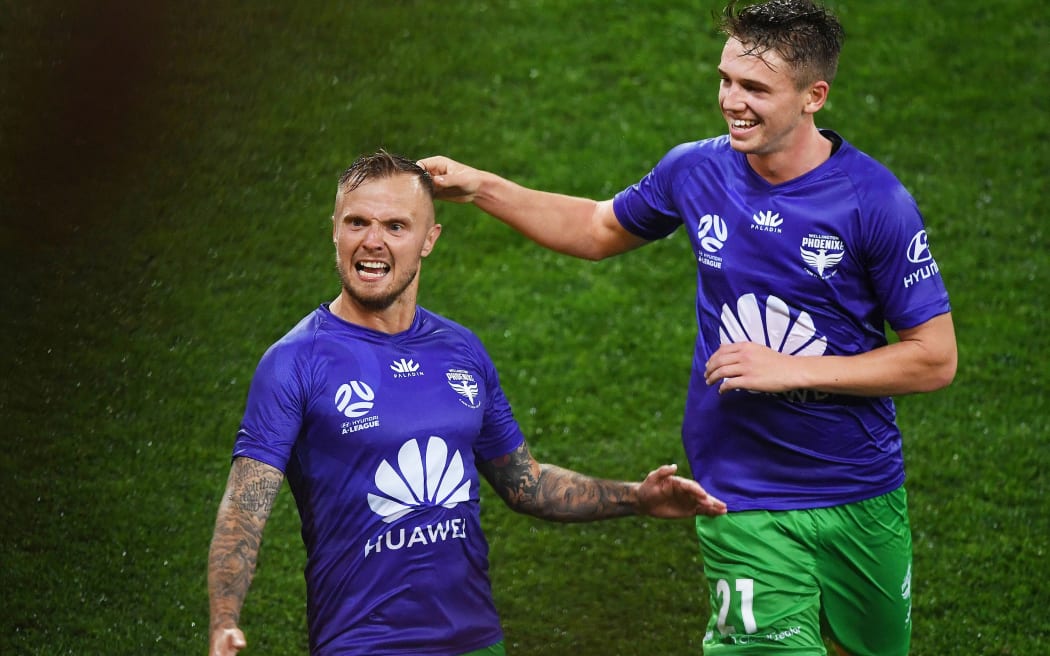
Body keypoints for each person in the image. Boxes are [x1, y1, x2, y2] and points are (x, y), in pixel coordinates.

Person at [418, 1, 957, 654]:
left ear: (815, 96)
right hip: (741, 491)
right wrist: (480, 188)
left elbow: (933, 358)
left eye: (755, 88)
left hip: (861, 488)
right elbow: (596, 228)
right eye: (726, 79)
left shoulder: (875, 203)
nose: (733, 101)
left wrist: (791, 369)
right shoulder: (695, 170)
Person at [206, 150, 727, 656]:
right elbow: (245, 506)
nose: (372, 242)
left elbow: (526, 484)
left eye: (395, 226)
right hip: (365, 642)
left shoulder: (461, 350)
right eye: (357, 222)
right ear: (335, 230)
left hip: (475, 638)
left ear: (429, 240)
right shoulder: (295, 361)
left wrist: (637, 497)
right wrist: (225, 621)